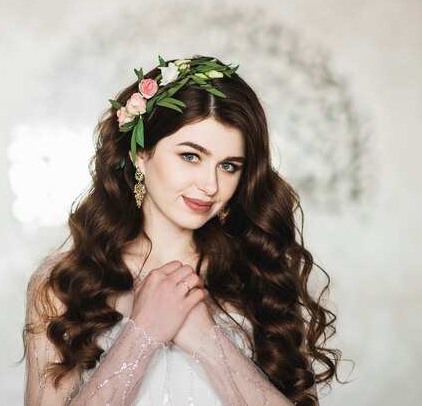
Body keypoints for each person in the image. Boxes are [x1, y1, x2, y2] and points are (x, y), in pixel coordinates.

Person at [22, 56, 341, 405]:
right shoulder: (66, 284)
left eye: (229, 166)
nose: (210, 185)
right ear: (141, 154)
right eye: (191, 156)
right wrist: (142, 334)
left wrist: (208, 339)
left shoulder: (260, 274)